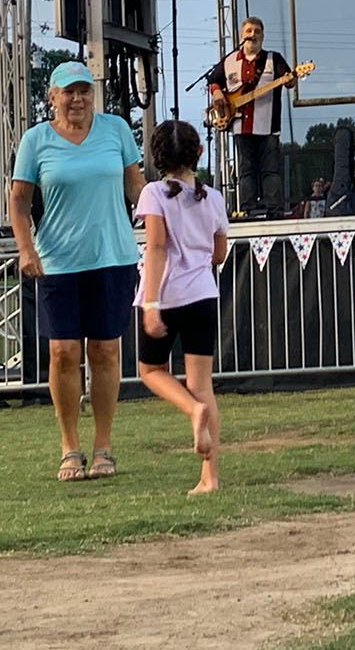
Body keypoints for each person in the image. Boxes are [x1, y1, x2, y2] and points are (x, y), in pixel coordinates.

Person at [10, 60, 147, 483]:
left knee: (105, 352)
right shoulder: (35, 141)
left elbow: (136, 186)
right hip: (58, 260)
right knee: (63, 353)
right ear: (51, 97)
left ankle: (103, 447)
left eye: (84, 90)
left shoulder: (117, 130)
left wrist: (165, 214)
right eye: (68, 91)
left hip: (113, 256)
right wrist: (25, 248)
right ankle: (70, 448)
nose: (77, 99)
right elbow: (18, 201)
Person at [134, 119, 228, 495]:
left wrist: (151, 305)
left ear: (156, 159)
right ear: (199, 154)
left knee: (150, 369)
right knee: (202, 384)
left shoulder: (154, 194)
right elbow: (218, 252)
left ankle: (191, 411)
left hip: (168, 295)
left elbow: (156, 247)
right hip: (203, 294)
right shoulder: (214, 198)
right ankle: (210, 477)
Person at [206, 16, 295, 218]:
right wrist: (217, 93)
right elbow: (213, 80)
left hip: (268, 124)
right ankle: (247, 207)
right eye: (248, 31)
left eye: (256, 31)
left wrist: (290, 80)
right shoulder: (229, 61)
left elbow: (289, 81)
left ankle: (274, 208)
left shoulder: (274, 59)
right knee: (246, 168)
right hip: (239, 124)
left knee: (270, 168)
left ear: (262, 36)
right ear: (241, 35)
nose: (252, 35)